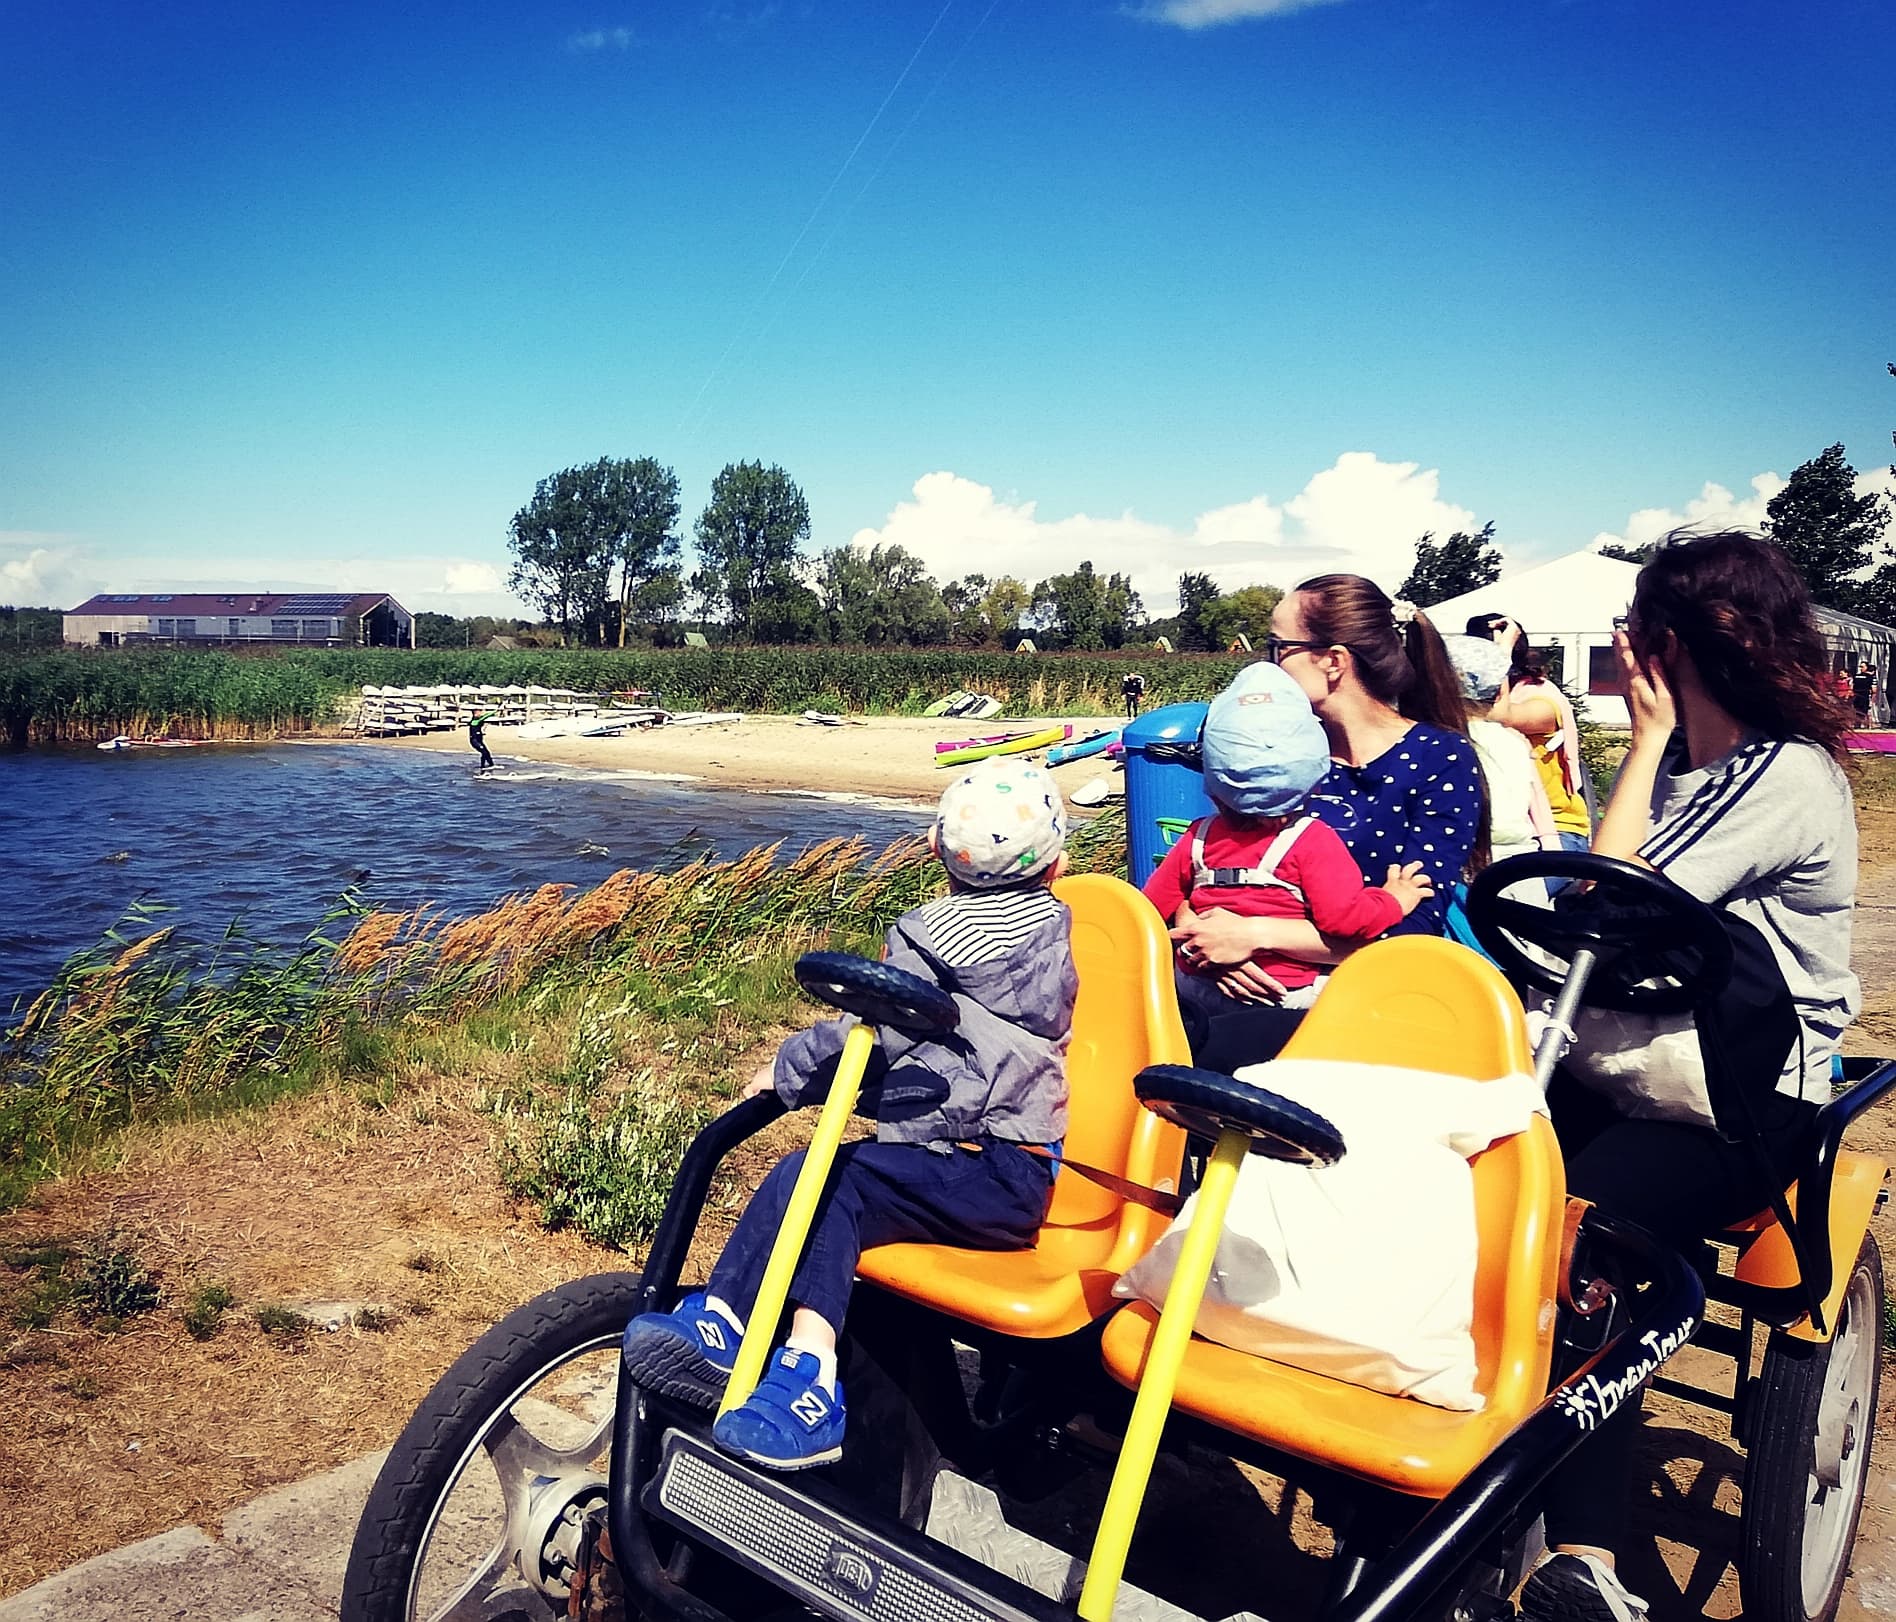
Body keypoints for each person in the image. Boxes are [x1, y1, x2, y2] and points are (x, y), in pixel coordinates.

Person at [1519, 530, 1859, 1622]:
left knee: (1582, 1228)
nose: (1621, 648)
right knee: (1476, 1166)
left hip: (1745, 1100)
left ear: (1672, 644)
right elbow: (1585, 906)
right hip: (1644, 1060)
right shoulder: (1689, 773)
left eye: (1634, 629)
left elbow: (1603, 899)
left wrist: (1642, 741)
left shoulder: (1784, 775)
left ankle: (1588, 1560)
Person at [621, 758, 1075, 1470]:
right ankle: (724, 1320)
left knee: (833, 1185)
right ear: (1057, 868)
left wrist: (788, 1071)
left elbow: (870, 1034)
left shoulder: (930, 945)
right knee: (804, 1174)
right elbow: (957, 1050)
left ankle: (811, 1372)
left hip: (993, 1169)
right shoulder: (1051, 936)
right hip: (998, 1167)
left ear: (934, 849)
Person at [1166, 575, 1486, 1015]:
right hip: (1238, 990)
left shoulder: (1440, 758)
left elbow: (1414, 926)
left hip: (1366, 1001)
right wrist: (1200, 937)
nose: (1267, 666)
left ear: (1333, 661)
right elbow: (1207, 863)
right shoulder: (1276, 755)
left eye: (1278, 647)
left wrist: (1254, 936)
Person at [1144, 661, 1435, 1069]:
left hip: (1198, 988)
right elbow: (1346, 921)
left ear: (1212, 782)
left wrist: (1189, 929)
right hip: (1280, 997)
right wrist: (1393, 900)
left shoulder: (1198, 836)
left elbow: (1148, 909)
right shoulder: (1313, 842)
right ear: (1314, 773)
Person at [1467, 614, 1591, 850]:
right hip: (1498, 826)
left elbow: (1497, 715)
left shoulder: (1542, 699)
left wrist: (1500, 654)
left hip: (1555, 829)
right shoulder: (1477, 696)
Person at [1443, 634, 1561, 863]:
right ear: (1500, 693)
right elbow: (1538, 804)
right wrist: (1552, 850)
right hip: (1520, 860)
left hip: (1463, 857)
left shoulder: (1440, 741)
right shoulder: (1515, 741)